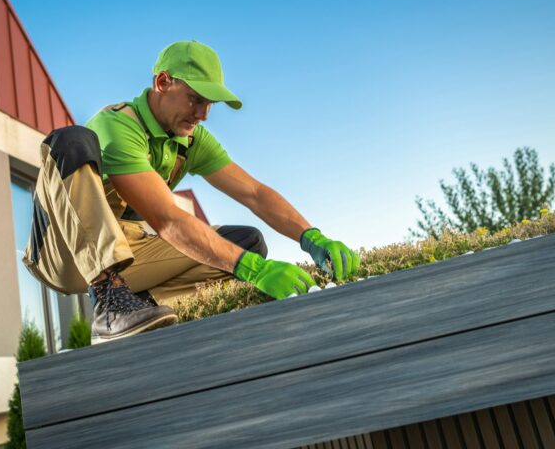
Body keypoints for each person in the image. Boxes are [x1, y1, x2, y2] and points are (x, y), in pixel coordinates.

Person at [25, 41, 359, 344]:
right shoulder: (120, 126)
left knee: (246, 244)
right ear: (162, 83)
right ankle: (110, 303)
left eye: (209, 103)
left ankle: (145, 312)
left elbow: (254, 193)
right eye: (195, 99)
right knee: (70, 139)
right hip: (65, 254)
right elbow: (167, 220)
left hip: (128, 248)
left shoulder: (189, 139)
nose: (203, 114)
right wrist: (255, 271)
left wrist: (311, 237)